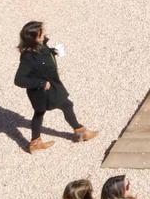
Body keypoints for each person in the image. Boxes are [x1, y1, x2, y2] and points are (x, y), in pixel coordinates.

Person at [15, 21, 97, 153]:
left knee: (40, 113)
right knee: (66, 105)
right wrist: (41, 83)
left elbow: (44, 56)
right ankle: (80, 131)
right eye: (42, 32)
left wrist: (54, 52)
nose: (45, 33)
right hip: (44, 91)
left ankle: (35, 142)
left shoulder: (41, 45)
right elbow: (19, 80)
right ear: (34, 37)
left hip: (49, 86)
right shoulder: (28, 57)